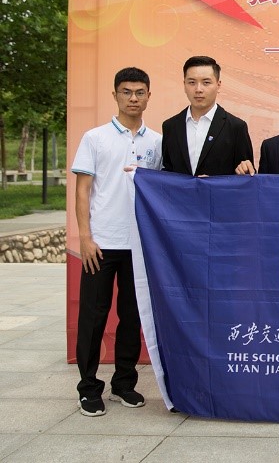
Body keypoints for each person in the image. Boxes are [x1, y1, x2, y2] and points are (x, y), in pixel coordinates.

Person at [71, 67, 163, 417]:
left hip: (139, 244)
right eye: (126, 92)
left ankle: (124, 383)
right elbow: (83, 191)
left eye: (140, 92)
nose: (133, 98)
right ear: (115, 95)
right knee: (93, 317)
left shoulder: (157, 142)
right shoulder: (95, 138)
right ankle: (88, 388)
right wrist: (85, 237)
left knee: (131, 317)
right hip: (101, 243)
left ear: (149, 96)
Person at [162, 56, 254, 176]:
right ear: (184, 85)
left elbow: (247, 174)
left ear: (218, 85)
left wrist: (214, 183)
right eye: (192, 82)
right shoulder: (170, 126)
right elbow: (167, 173)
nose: (198, 89)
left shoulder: (236, 127)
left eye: (206, 82)